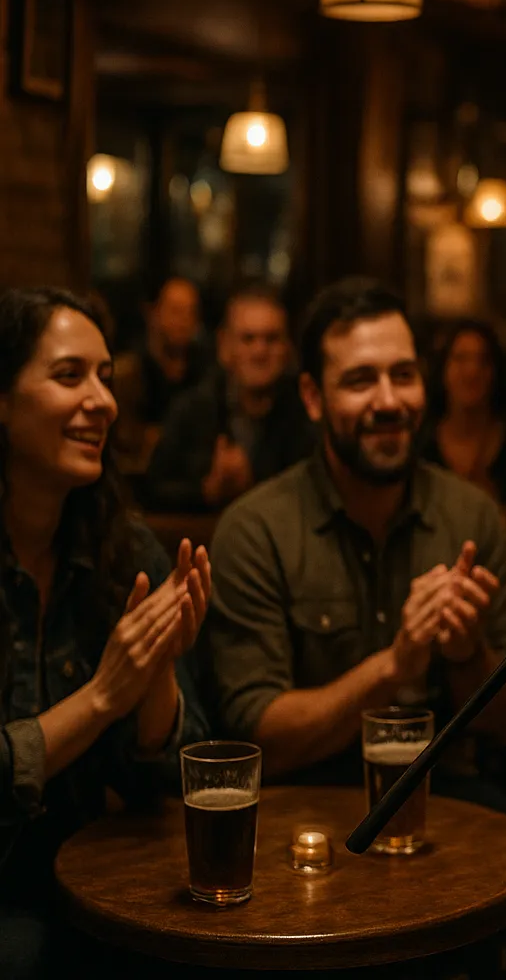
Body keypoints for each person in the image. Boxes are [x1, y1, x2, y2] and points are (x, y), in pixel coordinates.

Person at [203, 278, 506, 976]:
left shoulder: (470, 517)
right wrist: (395, 666)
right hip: (301, 806)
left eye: (403, 375)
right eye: (360, 380)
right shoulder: (257, 528)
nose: (388, 401)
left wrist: (469, 652)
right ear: (311, 397)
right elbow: (257, 730)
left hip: (443, 798)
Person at [0, 287, 211, 979]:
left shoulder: (125, 550)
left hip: (96, 873)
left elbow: (175, 781)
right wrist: (100, 698)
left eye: (107, 379)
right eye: (70, 377)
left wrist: (153, 684)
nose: (104, 402)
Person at [142, 285, 313, 511]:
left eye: (271, 339)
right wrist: (206, 491)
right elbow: (151, 491)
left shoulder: (308, 412)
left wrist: (253, 485)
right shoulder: (192, 409)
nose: (259, 352)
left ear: (287, 348)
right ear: (224, 345)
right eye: (248, 339)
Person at [420, 319, 506, 544]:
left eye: (484, 361)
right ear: (443, 369)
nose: (472, 370)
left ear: (496, 372)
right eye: (461, 359)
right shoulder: (420, 445)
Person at [128, 277, 210, 425]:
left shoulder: (205, 370)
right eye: (176, 311)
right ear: (153, 313)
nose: (184, 321)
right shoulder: (132, 371)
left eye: (191, 312)